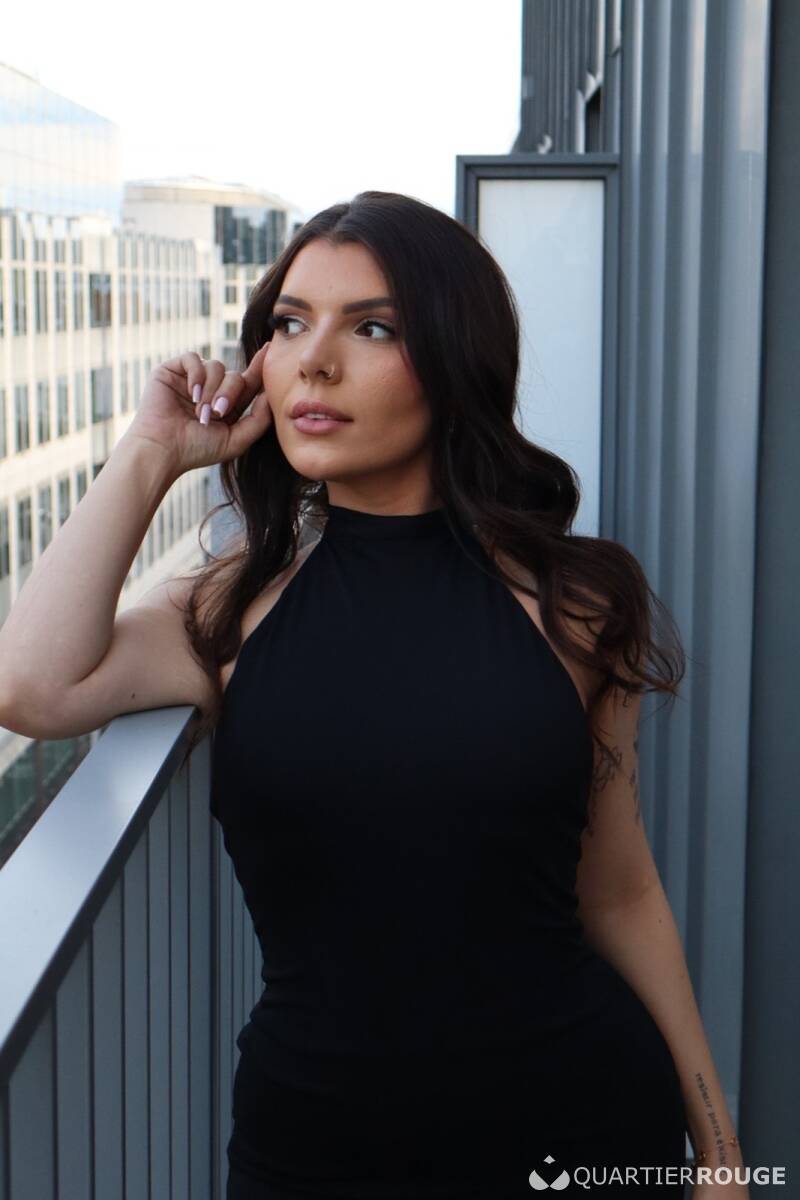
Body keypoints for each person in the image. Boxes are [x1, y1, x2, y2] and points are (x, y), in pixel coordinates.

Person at [0, 191, 748, 1199]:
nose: (313, 361)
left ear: (455, 357)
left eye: (373, 328)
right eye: (289, 323)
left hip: (582, 1129)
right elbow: (30, 686)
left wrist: (718, 1147)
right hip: (314, 1152)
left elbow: (618, 888)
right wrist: (151, 452)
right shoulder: (232, 608)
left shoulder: (575, 604)